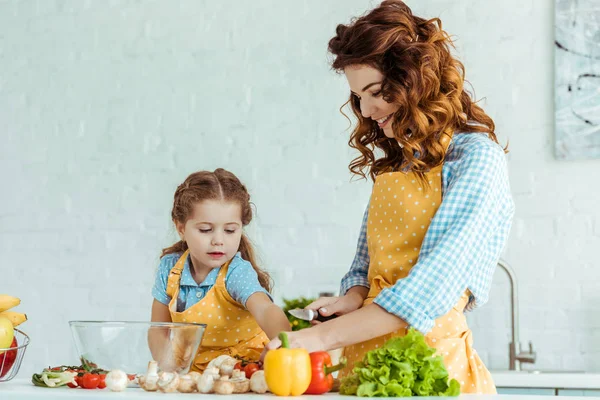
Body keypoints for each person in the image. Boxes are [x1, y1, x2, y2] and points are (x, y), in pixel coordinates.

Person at [265, 0, 514, 394]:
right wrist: (354, 294)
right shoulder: (399, 165)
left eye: (376, 91)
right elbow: (367, 260)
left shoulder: (476, 160)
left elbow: (429, 289)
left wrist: (317, 340)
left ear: (416, 80)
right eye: (358, 96)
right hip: (365, 364)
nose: (366, 109)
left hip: (432, 365)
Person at [151, 168, 291, 372]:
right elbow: (158, 331)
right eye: (206, 230)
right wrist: (170, 371)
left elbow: (265, 309)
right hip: (194, 374)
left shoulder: (236, 272)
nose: (218, 240)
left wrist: (284, 342)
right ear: (181, 228)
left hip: (244, 371)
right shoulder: (170, 268)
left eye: (230, 230)